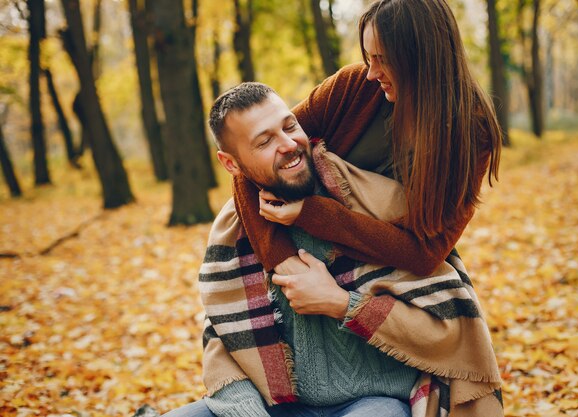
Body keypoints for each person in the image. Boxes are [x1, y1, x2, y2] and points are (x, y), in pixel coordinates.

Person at [162, 83, 502, 417]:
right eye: (264, 141)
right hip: (275, 407)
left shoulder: (367, 204)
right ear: (232, 165)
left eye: (290, 126)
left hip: (375, 401)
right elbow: (223, 335)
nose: (288, 144)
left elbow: (449, 332)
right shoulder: (237, 229)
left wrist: (341, 304)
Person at [232, 0, 502, 280]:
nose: (372, 72)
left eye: (383, 59)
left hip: (387, 275)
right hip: (303, 256)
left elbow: (426, 253)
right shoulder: (353, 87)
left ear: (422, 57)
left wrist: (312, 213)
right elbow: (246, 159)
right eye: (369, 57)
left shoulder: (472, 133)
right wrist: (283, 261)